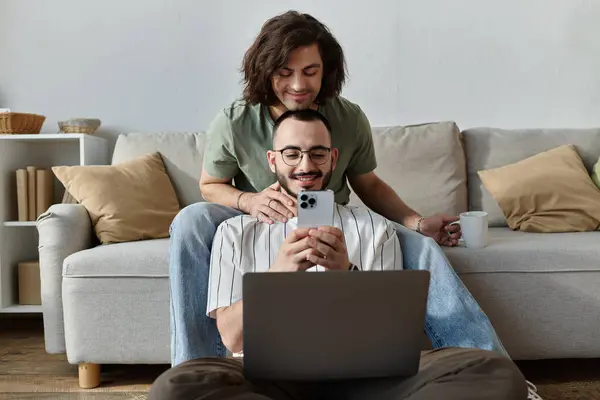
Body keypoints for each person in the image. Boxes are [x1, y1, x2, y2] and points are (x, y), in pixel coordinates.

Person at [168, 10, 542, 399]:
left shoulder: (347, 118)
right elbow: (211, 185)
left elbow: (368, 183)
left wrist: (412, 224)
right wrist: (249, 201)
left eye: (310, 71)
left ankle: (496, 370)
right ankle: (195, 367)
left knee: (422, 247)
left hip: (339, 211)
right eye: (284, 71)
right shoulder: (236, 120)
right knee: (191, 220)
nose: (298, 84)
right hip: (256, 210)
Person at [150, 109, 528, 400]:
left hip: (368, 382)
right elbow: (232, 338)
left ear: (333, 158)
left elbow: (388, 338)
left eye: (317, 154)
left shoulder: (375, 228)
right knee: (177, 386)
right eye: (292, 153)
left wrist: (345, 272)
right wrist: (278, 274)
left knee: (495, 372)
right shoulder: (234, 232)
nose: (305, 165)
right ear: (272, 160)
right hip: (271, 381)